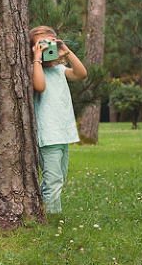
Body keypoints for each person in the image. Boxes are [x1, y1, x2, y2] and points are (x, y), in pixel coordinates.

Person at [29, 25, 87, 214]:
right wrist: (37, 59)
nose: (47, 48)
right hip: (49, 135)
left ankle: (52, 211)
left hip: (63, 133)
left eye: (50, 43)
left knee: (59, 178)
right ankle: (51, 216)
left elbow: (81, 74)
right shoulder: (35, 69)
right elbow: (40, 87)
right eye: (42, 45)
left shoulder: (60, 69)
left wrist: (66, 52)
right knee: (52, 180)